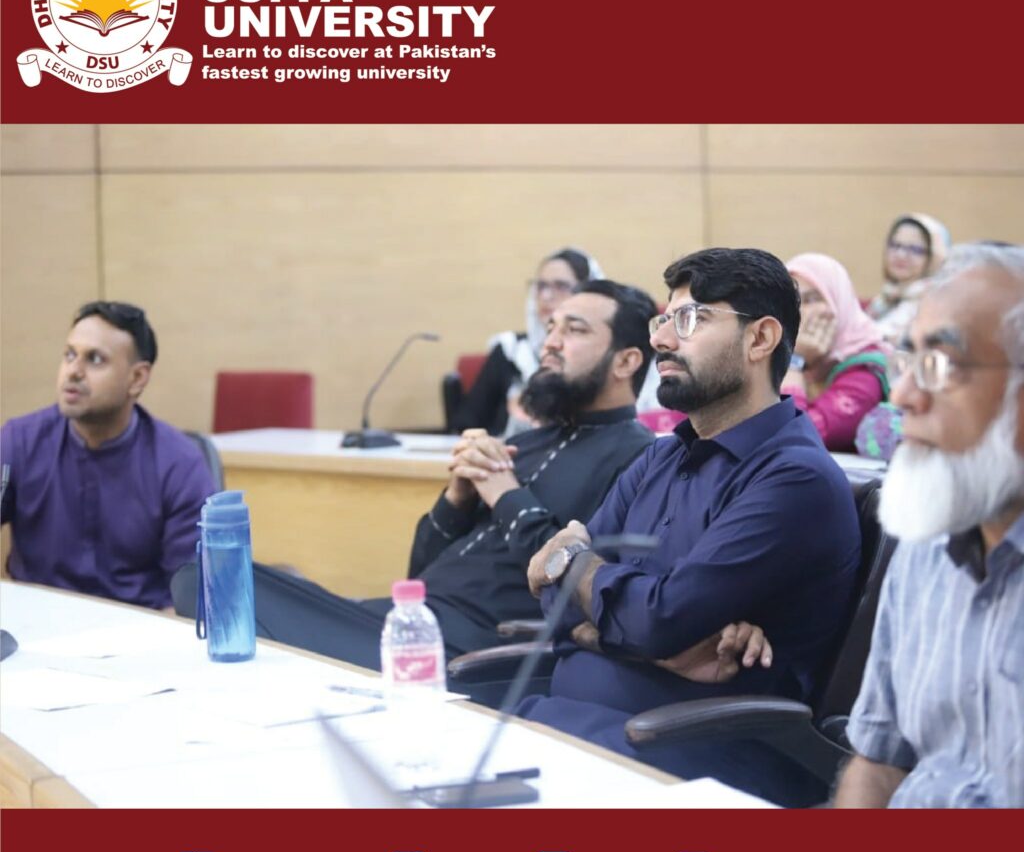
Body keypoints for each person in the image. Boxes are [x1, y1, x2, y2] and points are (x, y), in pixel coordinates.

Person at [521, 248, 861, 807]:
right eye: (664, 319)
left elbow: (658, 619)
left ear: (760, 339)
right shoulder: (660, 457)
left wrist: (576, 567)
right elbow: (559, 609)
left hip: (697, 759)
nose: (661, 339)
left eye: (690, 319)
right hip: (575, 730)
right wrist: (646, 639)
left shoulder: (794, 478)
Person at [209, 280, 659, 669]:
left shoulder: (638, 458)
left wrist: (505, 495)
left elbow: (574, 580)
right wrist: (456, 497)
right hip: (409, 621)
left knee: (229, 596)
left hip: (474, 646)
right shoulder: (527, 444)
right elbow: (419, 572)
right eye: (552, 327)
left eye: (574, 330)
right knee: (215, 586)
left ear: (625, 362)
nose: (550, 343)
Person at [835, 243, 1024, 808]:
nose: (903, 396)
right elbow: (879, 761)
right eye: (906, 361)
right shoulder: (924, 544)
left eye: (939, 365)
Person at [0, 301, 216, 609]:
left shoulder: (179, 464)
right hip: (35, 625)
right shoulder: (18, 442)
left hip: (143, 630)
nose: (74, 371)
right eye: (69, 355)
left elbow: (191, 601)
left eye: (95, 359)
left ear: (137, 378)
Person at [451, 247, 604, 436]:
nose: (546, 296)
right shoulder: (510, 350)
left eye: (561, 286)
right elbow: (467, 423)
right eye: (541, 286)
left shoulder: (599, 356)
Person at [782, 252, 890, 451]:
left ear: (839, 302)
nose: (798, 311)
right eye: (790, 300)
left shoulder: (865, 372)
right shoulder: (775, 354)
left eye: (812, 299)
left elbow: (792, 437)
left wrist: (794, 361)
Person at [866, 213, 951, 344]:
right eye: (895, 245)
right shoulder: (885, 299)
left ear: (935, 257)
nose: (901, 255)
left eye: (915, 249)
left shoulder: (931, 308)